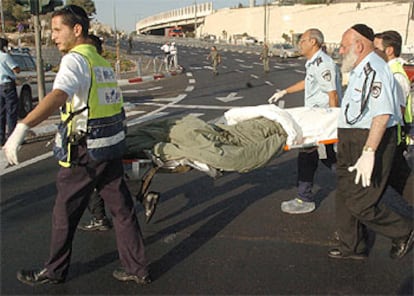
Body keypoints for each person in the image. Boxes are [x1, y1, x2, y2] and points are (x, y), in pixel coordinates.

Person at [3, 5, 151, 285]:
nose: (53, 36)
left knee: (64, 213)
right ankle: (137, 268)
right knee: (122, 208)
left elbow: (59, 95)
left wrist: (23, 126)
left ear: (77, 30)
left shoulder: (75, 60)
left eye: (58, 30)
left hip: (84, 151)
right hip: (109, 147)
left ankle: (55, 270)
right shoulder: (101, 62)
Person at [328, 24, 413, 260]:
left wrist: (369, 151)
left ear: (359, 45)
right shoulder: (358, 69)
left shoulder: (375, 69)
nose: (341, 51)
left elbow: (382, 113)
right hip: (351, 138)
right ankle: (352, 246)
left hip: (368, 139)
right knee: (345, 195)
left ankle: (404, 230)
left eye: (344, 46)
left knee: (360, 202)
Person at [268, 28, 342, 214]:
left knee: (322, 159)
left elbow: (332, 95)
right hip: (315, 121)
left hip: (321, 124)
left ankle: (306, 198)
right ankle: (305, 197)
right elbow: (308, 83)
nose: (299, 44)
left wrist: (333, 126)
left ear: (313, 42)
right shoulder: (313, 63)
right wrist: (285, 91)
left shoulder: (323, 64)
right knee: (313, 158)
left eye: (302, 40)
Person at [373, 30, 413, 206]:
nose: (372, 52)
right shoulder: (388, 71)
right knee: (399, 181)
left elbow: (396, 110)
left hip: (392, 136)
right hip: (390, 136)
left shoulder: (395, 75)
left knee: (397, 180)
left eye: (376, 48)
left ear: (389, 50)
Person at [0, 37, 20, 147]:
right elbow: (16, 69)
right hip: (7, 84)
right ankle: (12, 137)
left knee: (1, 113)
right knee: (11, 112)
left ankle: (0, 138)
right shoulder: (5, 56)